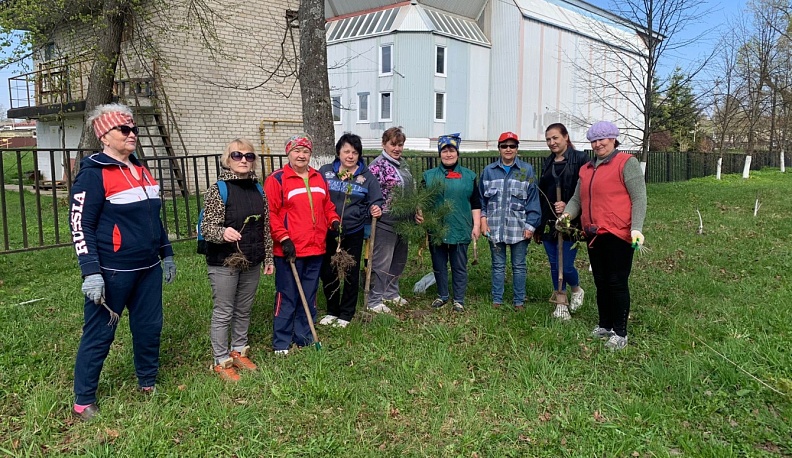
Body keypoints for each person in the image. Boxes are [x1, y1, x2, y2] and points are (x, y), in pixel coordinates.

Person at [69, 103, 176, 421]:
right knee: (100, 333)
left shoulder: (141, 169)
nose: (133, 135)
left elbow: (154, 218)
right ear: (105, 136)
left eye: (135, 129)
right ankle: (83, 399)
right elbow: (80, 224)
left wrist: (166, 252)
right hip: (113, 272)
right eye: (125, 130)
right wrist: (90, 271)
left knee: (149, 327)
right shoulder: (94, 173)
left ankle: (147, 382)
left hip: (148, 269)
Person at [560, 121, 647, 350]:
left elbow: (639, 197)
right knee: (600, 280)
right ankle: (605, 324)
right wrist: (567, 215)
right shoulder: (587, 169)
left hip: (618, 234)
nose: (598, 144)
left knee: (616, 281)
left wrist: (636, 228)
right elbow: (577, 199)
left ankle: (620, 332)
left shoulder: (626, 163)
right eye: (594, 140)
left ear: (613, 139)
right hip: (593, 233)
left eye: (602, 139)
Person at [201, 138, 274, 381]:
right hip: (225, 261)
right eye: (237, 155)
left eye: (249, 156)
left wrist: (268, 257)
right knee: (224, 310)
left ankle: (239, 349)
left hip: (251, 259)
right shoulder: (218, 189)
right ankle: (221, 359)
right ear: (227, 160)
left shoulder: (258, 189)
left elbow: (265, 227)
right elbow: (206, 226)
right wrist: (223, 233)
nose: (243, 160)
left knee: (244, 309)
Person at [266, 134, 341, 354]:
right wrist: (283, 238)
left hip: (316, 247)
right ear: (288, 153)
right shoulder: (277, 179)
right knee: (287, 294)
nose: (301, 155)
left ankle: (303, 336)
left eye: (306, 151)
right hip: (290, 249)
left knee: (309, 293)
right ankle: (281, 341)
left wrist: (334, 220)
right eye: (297, 151)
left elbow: (327, 205)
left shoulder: (318, 177)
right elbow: (271, 213)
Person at [318, 133, 383, 328]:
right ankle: (332, 310)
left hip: (353, 230)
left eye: (355, 152)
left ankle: (346, 313)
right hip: (329, 230)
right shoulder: (326, 172)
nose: (350, 156)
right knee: (328, 271)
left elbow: (376, 199)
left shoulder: (366, 177)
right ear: (338, 152)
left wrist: (376, 207)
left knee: (351, 271)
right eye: (346, 151)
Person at [418, 133, 481, 312]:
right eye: (444, 151)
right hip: (436, 227)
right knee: (439, 264)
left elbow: (475, 203)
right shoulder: (429, 176)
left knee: (459, 264)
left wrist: (476, 225)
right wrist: (420, 214)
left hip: (460, 226)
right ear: (439, 154)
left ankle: (459, 299)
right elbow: (422, 201)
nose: (448, 154)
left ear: (457, 153)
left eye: (451, 150)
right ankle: (442, 295)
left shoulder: (469, 176)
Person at [479, 131, 541, 310]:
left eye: (512, 146)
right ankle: (497, 299)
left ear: (517, 149)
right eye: (504, 146)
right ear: (498, 149)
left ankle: (518, 301)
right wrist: (483, 220)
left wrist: (531, 225)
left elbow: (533, 199)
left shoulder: (526, 171)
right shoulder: (488, 172)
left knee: (519, 266)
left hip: (519, 228)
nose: (508, 149)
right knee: (498, 265)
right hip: (495, 227)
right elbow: (482, 199)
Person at [535, 123, 588, 320]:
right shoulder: (548, 162)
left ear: (566, 137)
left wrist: (568, 205)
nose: (552, 142)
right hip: (549, 220)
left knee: (565, 265)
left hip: (571, 221)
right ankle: (561, 302)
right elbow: (543, 193)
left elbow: (585, 190)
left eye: (555, 137)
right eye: (548, 139)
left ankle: (576, 289)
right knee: (553, 263)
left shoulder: (581, 159)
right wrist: (539, 224)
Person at [366, 127, 414, 314]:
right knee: (382, 261)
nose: (397, 148)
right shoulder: (377, 166)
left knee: (399, 259)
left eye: (400, 144)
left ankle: (391, 293)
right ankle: (375, 299)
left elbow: (411, 189)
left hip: (405, 220)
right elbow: (368, 192)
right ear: (384, 144)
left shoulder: (403, 165)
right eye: (393, 144)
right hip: (386, 220)